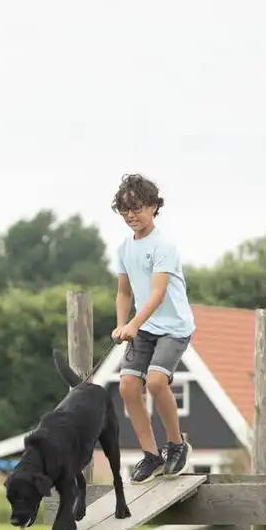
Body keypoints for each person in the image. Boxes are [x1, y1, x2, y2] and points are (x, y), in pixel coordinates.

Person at [109, 173, 196, 484]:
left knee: (157, 382)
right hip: (144, 328)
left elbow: (158, 294)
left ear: (154, 207)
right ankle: (151, 455)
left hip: (173, 327)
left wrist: (133, 324)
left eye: (137, 208)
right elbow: (124, 292)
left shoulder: (164, 246)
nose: (131, 215)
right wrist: (121, 325)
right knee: (127, 386)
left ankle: (176, 445)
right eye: (125, 209)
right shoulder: (123, 248)